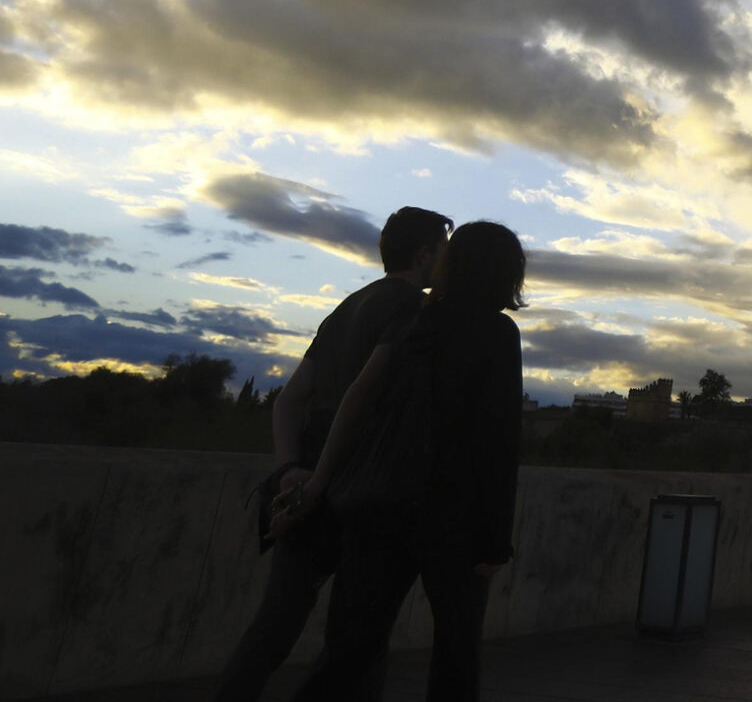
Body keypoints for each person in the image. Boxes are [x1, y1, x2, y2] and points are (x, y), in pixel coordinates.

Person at [213, 206, 451, 702]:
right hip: (364, 485)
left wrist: (289, 469)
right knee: (360, 641)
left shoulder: (347, 307)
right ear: (426, 254)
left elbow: (289, 401)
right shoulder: (412, 310)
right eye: (443, 250)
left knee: (273, 630)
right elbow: (362, 399)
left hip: (311, 480)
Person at [280, 220, 526, 700]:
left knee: (347, 652)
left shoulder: (414, 319)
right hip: (454, 520)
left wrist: (320, 483)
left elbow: (357, 399)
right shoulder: (497, 333)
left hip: (379, 505)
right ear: (506, 273)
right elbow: (497, 441)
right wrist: (496, 539)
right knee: (456, 656)